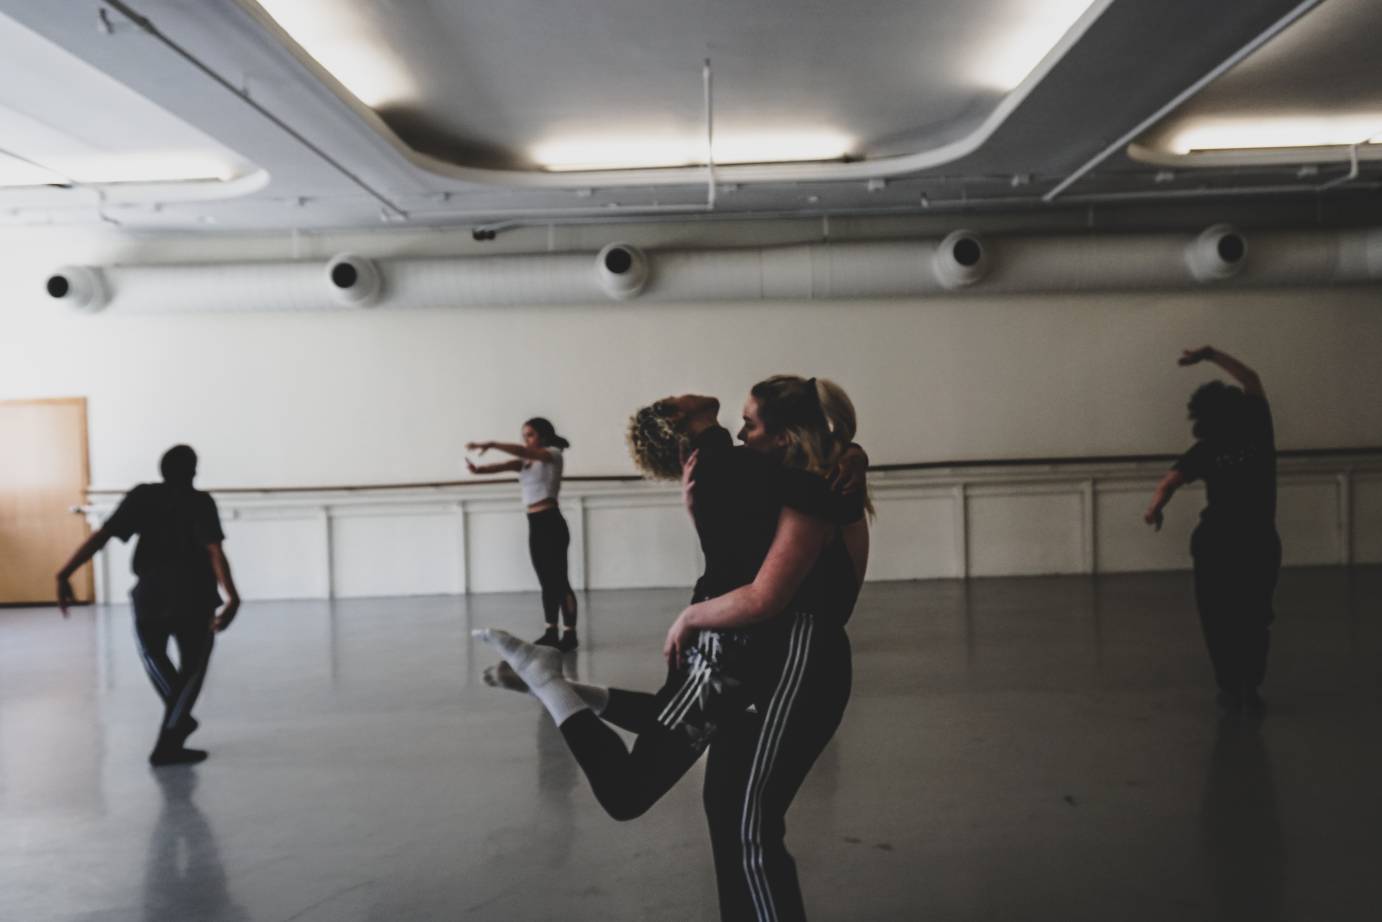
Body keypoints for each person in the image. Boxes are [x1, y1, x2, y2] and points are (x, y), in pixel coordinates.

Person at [478, 376, 869, 921]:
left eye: (750, 423)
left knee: (747, 827)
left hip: (793, 660)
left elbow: (771, 596)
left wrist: (691, 615)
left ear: (783, 437)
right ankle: (555, 686)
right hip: (750, 652)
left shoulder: (813, 491)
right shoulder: (774, 478)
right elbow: (739, 544)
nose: (738, 430)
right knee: (722, 810)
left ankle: (552, 685)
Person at [56, 445, 240, 765]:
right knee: (192, 669)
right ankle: (173, 730)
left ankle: (175, 727)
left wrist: (65, 571)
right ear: (194, 471)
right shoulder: (200, 502)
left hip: (150, 595)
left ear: (161, 469)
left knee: (154, 658)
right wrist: (232, 596)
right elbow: (214, 551)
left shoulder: (142, 496)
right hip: (194, 597)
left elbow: (102, 537)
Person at [1144, 347, 1280, 714]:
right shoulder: (1257, 425)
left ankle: (1233, 684)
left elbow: (1171, 479)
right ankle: (1247, 684)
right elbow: (1251, 377)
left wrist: (1156, 505)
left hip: (1217, 543)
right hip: (1256, 542)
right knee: (1253, 616)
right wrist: (1209, 354)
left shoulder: (1208, 447)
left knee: (1219, 617)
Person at [468, 418, 579, 650]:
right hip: (535, 524)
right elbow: (507, 465)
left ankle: (570, 633)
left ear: (543, 436)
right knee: (545, 581)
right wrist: (479, 470)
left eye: (530, 434)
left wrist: (492, 443)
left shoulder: (552, 454)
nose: (526, 440)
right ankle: (551, 630)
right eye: (524, 435)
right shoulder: (526, 461)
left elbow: (520, 451)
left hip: (551, 522)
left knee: (559, 580)